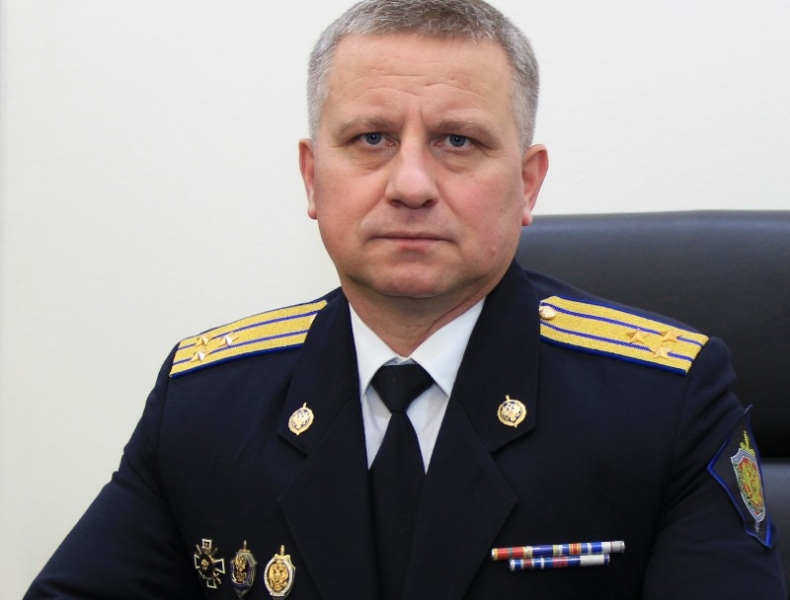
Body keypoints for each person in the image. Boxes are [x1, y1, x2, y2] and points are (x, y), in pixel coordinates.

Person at [25, 0, 786, 598]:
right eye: (371, 139)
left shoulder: (663, 403)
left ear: (527, 185)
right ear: (311, 177)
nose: (412, 185)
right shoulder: (205, 402)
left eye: (458, 141)